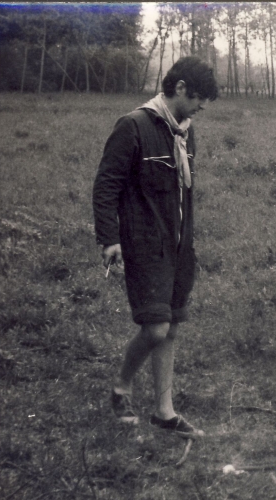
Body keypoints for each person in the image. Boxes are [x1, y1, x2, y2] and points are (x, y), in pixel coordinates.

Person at [92, 56, 218, 439]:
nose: (202, 107)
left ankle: (164, 412)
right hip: (145, 244)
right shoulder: (133, 126)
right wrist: (110, 238)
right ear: (180, 88)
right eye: (198, 98)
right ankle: (121, 385)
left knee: (172, 326)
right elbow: (106, 185)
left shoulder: (185, 133)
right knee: (156, 328)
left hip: (179, 246)